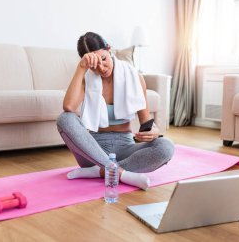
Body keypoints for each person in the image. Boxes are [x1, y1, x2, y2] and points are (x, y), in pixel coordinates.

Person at [57, 32, 174, 190]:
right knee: (65, 119)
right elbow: (69, 107)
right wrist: (81, 68)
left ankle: (100, 171)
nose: (101, 68)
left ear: (109, 49)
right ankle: (120, 173)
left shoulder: (135, 77)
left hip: (126, 148)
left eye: (103, 59)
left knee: (166, 147)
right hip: (92, 151)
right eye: (94, 65)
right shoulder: (86, 79)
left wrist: (153, 131)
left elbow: (146, 123)